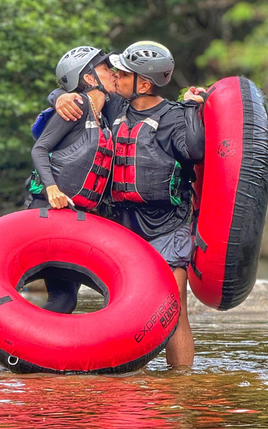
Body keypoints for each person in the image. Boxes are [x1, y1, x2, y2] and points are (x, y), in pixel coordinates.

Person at [51, 41, 205, 368]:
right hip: (123, 226)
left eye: (122, 73)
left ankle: (182, 386)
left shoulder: (175, 118)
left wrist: (192, 107)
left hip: (168, 226)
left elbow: (195, 149)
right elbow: (74, 96)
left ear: (144, 83)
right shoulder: (114, 108)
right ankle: (136, 385)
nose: (115, 77)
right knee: (132, 312)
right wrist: (58, 97)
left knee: (172, 308)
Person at [27, 45, 117, 313]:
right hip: (46, 211)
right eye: (105, 68)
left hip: (76, 218)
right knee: (63, 298)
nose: (112, 72)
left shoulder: (106, 115)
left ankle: (15, 356)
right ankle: (9, 354)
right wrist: (52, 188)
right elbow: (39, 148)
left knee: (65, 300)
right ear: (89, 78)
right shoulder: (74, 107)